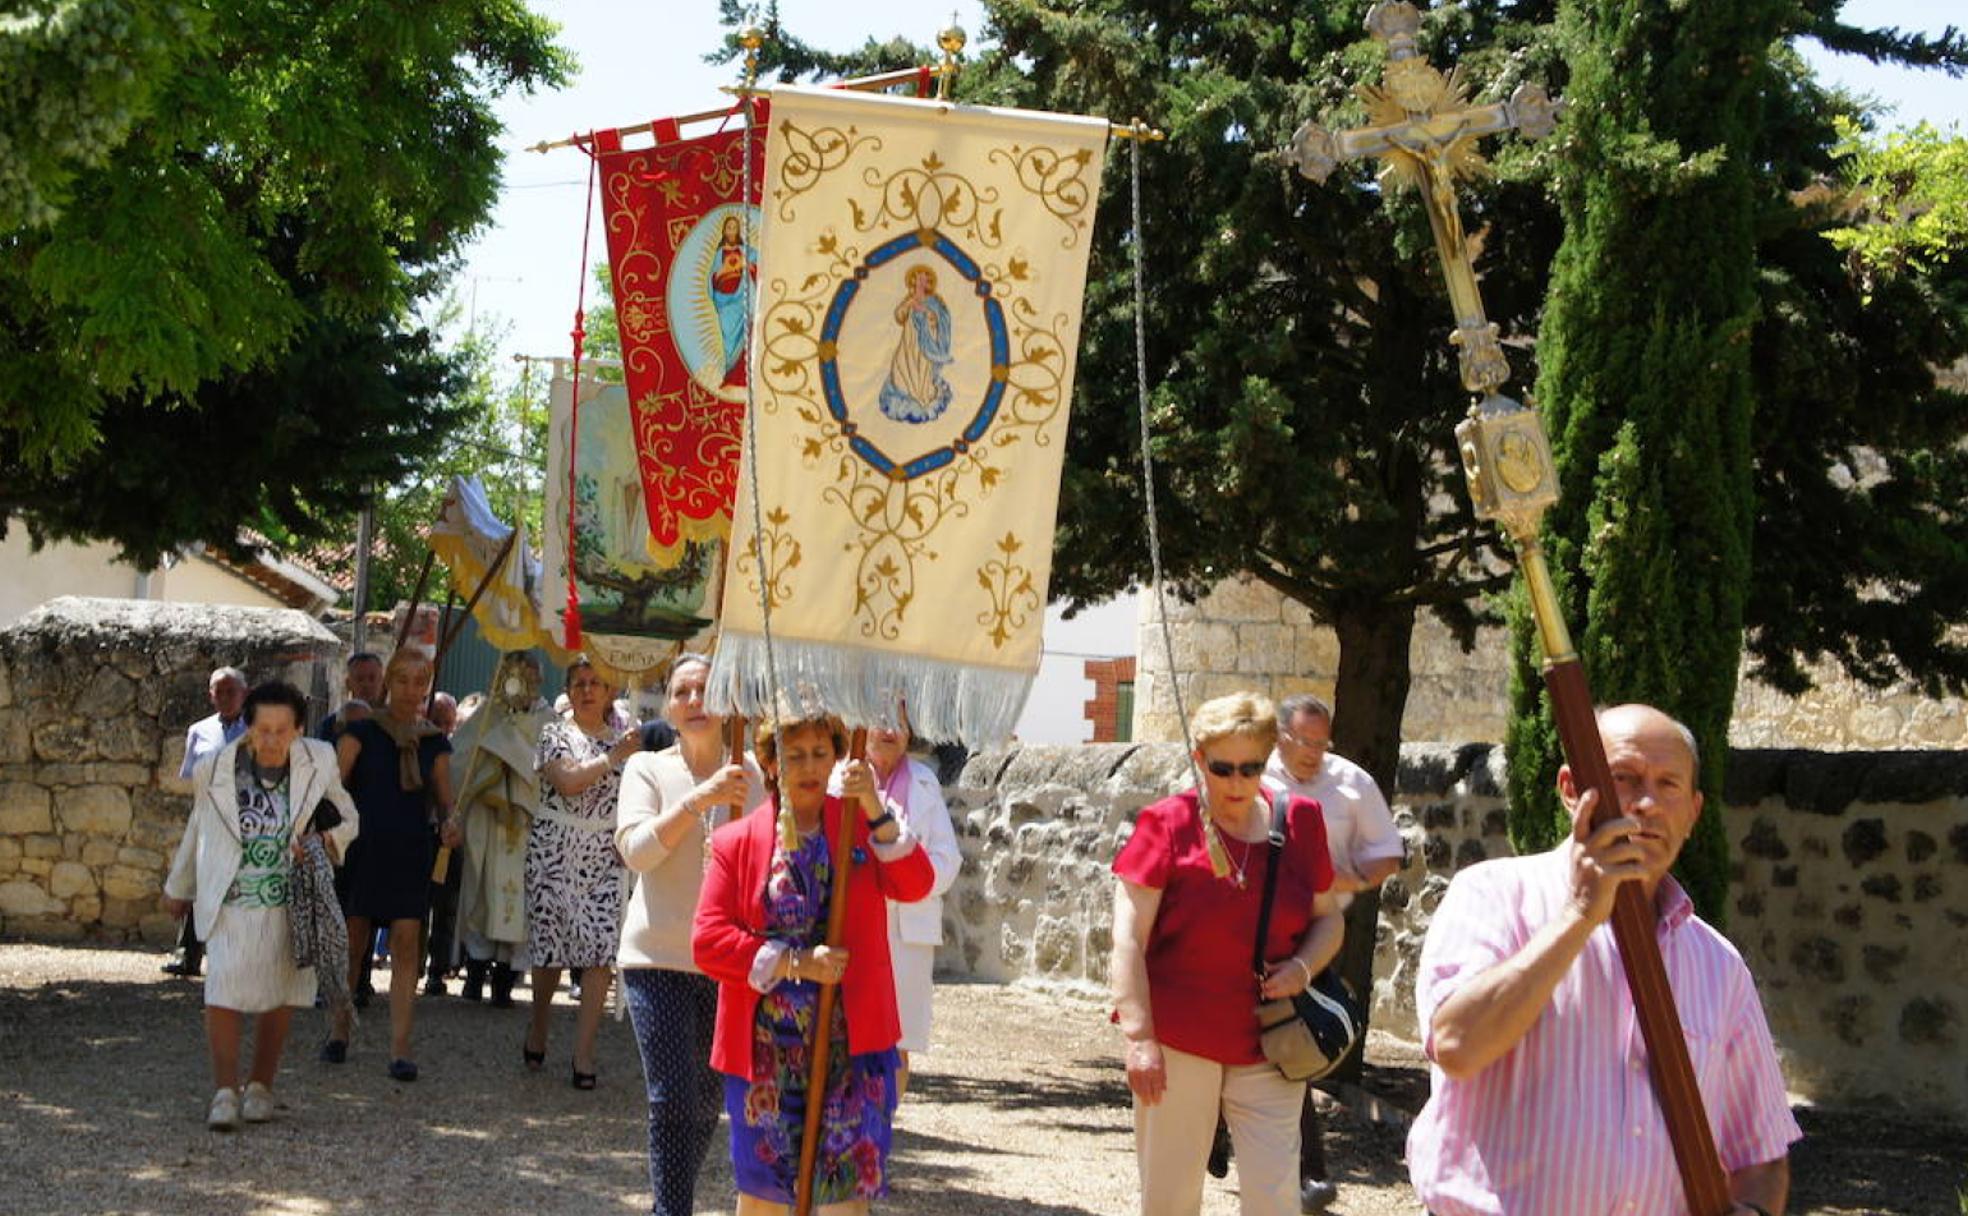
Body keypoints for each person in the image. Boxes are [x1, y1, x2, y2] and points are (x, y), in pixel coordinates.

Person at [1407, 704, 1800, 1216]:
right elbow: (1458, 1046)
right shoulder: (1494, 897)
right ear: (1572, 790)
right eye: (1625, 778)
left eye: (1668, 785)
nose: (1646, 803)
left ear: (1694, 812)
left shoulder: (1719, 966)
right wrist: (1579, 915)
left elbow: (1761, 1156)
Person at [1111, 691, 1343, 1216]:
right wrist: (1140, 1038)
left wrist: (1303, 968)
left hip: (1270, 1041)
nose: (1237, 783)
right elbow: (1127, 939)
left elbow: (1329, 919)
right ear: (1199, 760)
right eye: (1223, 768)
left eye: (1251, 767)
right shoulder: (1166, 824)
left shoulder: (1302, 821)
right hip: (1178, 1042)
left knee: (1276, 1199)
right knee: (1170, 1200)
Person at [693, 710, 935, 1214]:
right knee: (763, 1194)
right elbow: (709, 940)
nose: (808, 766)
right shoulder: (735, 842)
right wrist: (796, 963)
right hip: (763, 1046)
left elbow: (917, 885)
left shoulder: (859, 828)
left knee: (845, 1194)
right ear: (771, 764)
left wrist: (871, 804)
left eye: (820, 754)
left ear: (838, 758)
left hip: (853, 1040)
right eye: (793, 755)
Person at [161, 681, 360, 1129]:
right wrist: (180, 886)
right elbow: (199, 826)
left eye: (282, 729)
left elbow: (349, 817)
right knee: (222, 991)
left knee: (281, 994)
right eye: (263, 729)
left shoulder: (319, 760)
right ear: (248, 728)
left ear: (298, 728)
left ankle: (261, 1086)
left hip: (290, 899)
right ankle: (224, 1092)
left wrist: (322, 839)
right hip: (232, 897)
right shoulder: (214, 768)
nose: (272, 739)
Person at [615, 653, 765, 1214]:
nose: (695, 702)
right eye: (682, 692)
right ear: (669, 708)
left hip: (724, 964)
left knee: (706, 1102)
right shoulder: (647, 769)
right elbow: (636, 851)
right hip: (656, 959)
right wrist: (697, 803)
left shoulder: (755, 776)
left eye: (706, 690)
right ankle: (670, 1210)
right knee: (671, 1097)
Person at [1264, 693, 1403, 1212]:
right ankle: (1239, 1146)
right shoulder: (1253, 774)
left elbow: (1389, 853)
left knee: (1292, 1045)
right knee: (1257, 1040)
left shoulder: (1351, 782)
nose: (1315, 753)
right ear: (1281, 735)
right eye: (1305, 742)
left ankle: (1307, 1174)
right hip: (1256, 927)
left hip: (1321, 931)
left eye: (1323, 743)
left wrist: (1353, 877)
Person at [328, 649, 458, 1081]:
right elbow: (334, 790)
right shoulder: (360, 732)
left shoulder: (434, 741)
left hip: (409, 852)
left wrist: (450, 822)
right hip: (363, 850)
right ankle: (339, 1030)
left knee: (405, 944)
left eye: (419, 682)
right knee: (353, 941)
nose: (410, 690)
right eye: (402, 680)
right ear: (390, 682)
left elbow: (443, 799)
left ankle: (400, 1048)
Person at [523, 655, 639, 1088]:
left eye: (596, 683)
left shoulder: (626, 743)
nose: (587, 690)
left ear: (610, 692)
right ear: (569, 692)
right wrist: (614, 757)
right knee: (551, 949)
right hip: (555, 849)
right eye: (579, 683)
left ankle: (583, 1053)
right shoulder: (554, 734)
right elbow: (568, 781)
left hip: (603, 856)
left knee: (599, 953)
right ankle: (538, 1025)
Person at [860, 707, 961, 1096]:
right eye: (881, 719)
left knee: (898, 1040)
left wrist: (912, 883)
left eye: (900, 724)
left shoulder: (924, 781)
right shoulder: (841, 778)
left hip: (907, 927)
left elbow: (947, 858)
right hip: (858, 922)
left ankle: (884, 1129)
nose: (889, 730)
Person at [454, 652, 554, 1006]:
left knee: (521, 900)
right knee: (482, 891)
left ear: (538, 681)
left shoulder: (549, 722)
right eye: (515, 675)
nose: (521, 684)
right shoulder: (487, 715)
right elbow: (461, 759)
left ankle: (505, 982)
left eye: (528, 677)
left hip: (527, 825)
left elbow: (551, 770)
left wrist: (511, 748)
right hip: (488, 820)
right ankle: (475, 974)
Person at [164, 666, 250, 978]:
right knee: (200, 883)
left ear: (245, 694)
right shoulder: (199, 730)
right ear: (210, 695)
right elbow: (191, 774)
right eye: (219, 691)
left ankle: (231, 960)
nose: (225, 697)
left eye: (232, 691)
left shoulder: (257, 730)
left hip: (245, 819)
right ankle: (188, 952)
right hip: (209, 815)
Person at [423, 690, 464, 995]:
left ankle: (438, 969)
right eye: (437, 721)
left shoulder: (460, 751)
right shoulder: (420, 747)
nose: (443, 728)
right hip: (423, 833)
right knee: (419, 907)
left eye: (448, 722)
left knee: (446, 906)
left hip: (449, 837)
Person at [316, 652, 384, 742]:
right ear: (348, 684)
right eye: (359, 679)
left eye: (372, 678)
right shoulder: (331, 724)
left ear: (382, 682)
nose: (366, 685)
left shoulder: (394, 722)